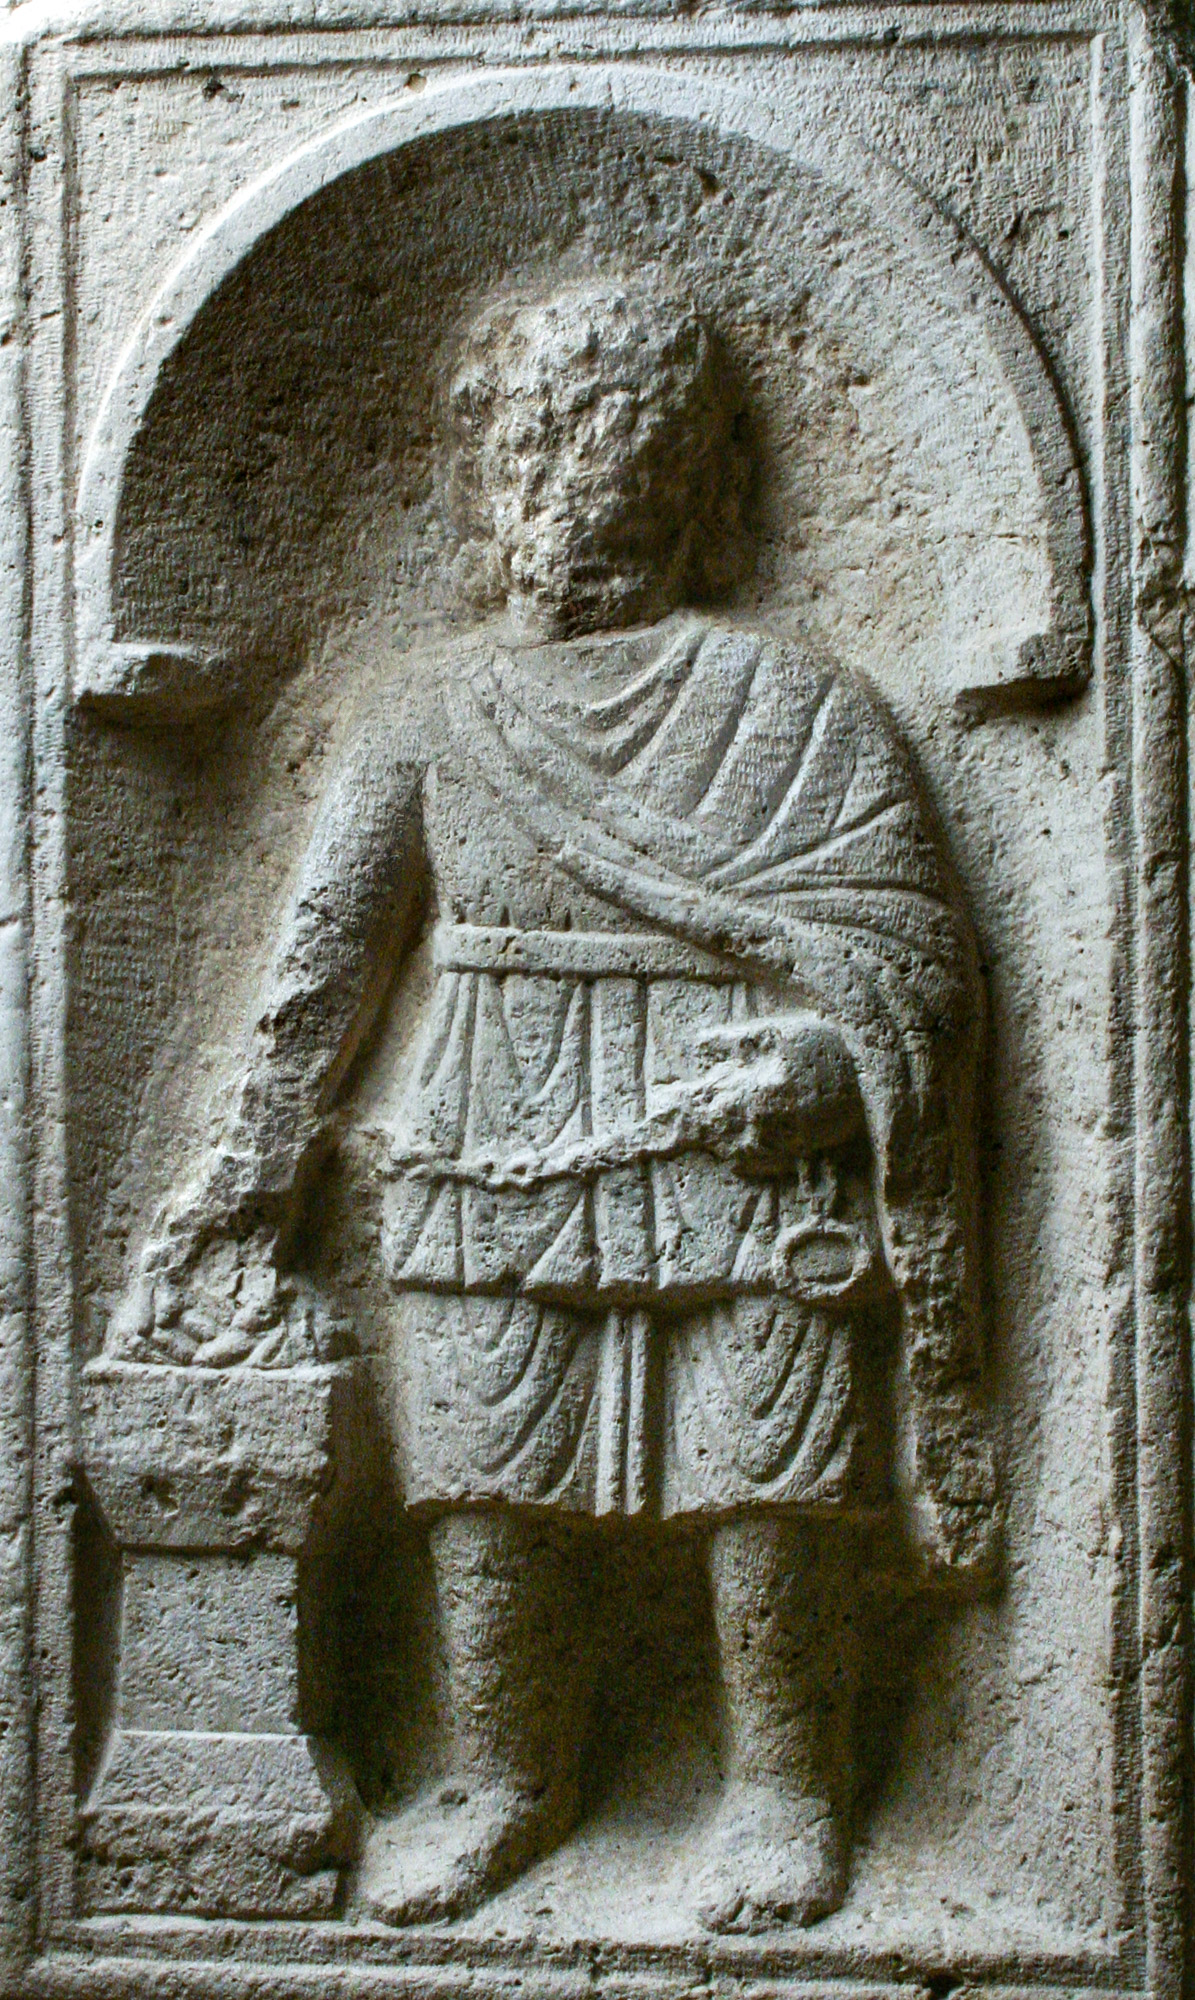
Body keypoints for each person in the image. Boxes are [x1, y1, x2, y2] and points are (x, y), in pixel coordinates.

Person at [109, 280, 998, 1932]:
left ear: (697, 483)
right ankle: (503, 1776)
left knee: (766, 1454)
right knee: (487, 1461)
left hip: (734, 1138)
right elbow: (321, 974)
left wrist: (824, 1068)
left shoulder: (800, 705)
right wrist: (240, 1181)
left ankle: (785, 1784)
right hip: (494, 1120)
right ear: (488, 479)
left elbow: (916, 954)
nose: (579, 486)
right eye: (541, 447)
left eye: (628, 452)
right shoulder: (428, 710)